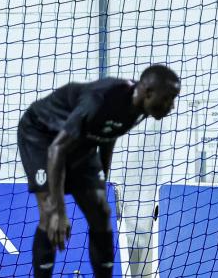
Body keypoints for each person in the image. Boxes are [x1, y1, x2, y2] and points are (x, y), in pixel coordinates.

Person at [17, 65, 180, 277]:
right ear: (148, 93)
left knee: (101, 212)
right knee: (50, 215)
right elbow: (57, 149)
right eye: (168, 98)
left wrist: (99, 181)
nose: (172, 106)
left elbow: (109, 134)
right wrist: (59, 209)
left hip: (78, 140)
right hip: (41, 134)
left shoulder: (139, 107)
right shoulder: (101, 100)